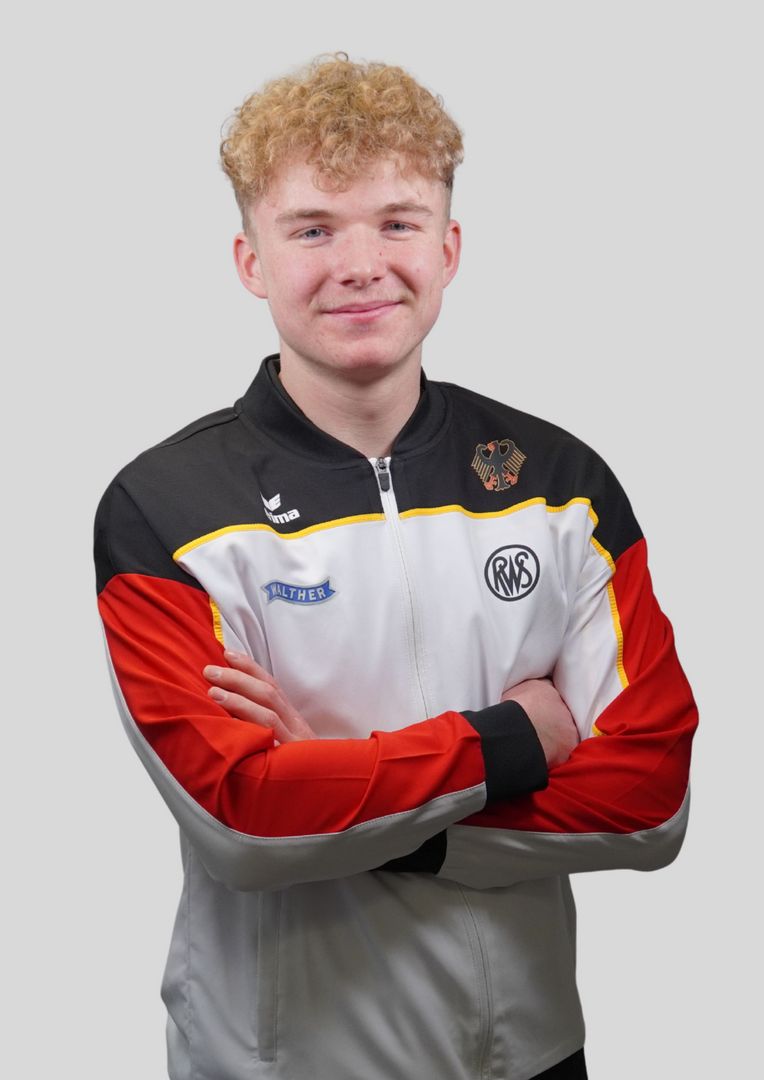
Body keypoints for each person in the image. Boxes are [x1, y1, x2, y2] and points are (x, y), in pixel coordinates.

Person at [93, 54, 697, 1080]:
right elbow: (244, 820)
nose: (361, 264)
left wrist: (349, 794)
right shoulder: (167, 509)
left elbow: (652, 796)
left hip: (532, 1056)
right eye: (313, 229)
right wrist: (516, 739)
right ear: (249, 260)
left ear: (448, 248)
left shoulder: (560, 487)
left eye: (397, 222)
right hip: (284, 1065)